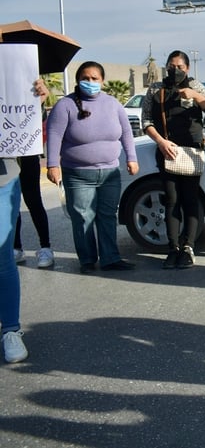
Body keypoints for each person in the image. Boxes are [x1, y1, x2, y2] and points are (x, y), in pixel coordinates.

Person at [46, 62, 139, 273]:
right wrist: (52, 164)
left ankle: (110, 258)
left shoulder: (113, 104)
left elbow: (126, 133)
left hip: (110, 173)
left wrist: (131, 158)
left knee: (107, 215)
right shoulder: (66, 105)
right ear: (78, 80)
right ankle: (87, 260)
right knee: (82, 217)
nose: (90, 82)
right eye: (85, 78)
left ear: (102, 81)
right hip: (78, 174)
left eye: (95, 78)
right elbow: (54, 135)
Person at [141, 50, 205, 270]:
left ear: (187, 68)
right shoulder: (156, 89)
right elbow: (146, 119)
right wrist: (161, 142)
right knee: (171, 200)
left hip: (192, 152)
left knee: (190, 199)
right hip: (167, 151)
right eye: (171, 65)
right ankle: (173, 248)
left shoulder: (196, 86)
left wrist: (195, 97)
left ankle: (188, 247)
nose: (175, 70)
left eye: (180, 66)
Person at [1, 79, 47, 363]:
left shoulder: (8, 77)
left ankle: (10, 329)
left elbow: (18, 123)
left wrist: (35, 102)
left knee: (3, 259)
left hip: (2, 176)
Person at [13, 154, 54, 269]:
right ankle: (16, 248)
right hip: (6, 159)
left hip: (27, 156)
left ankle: (45, 247)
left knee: (34, 202)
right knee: (12, 206)